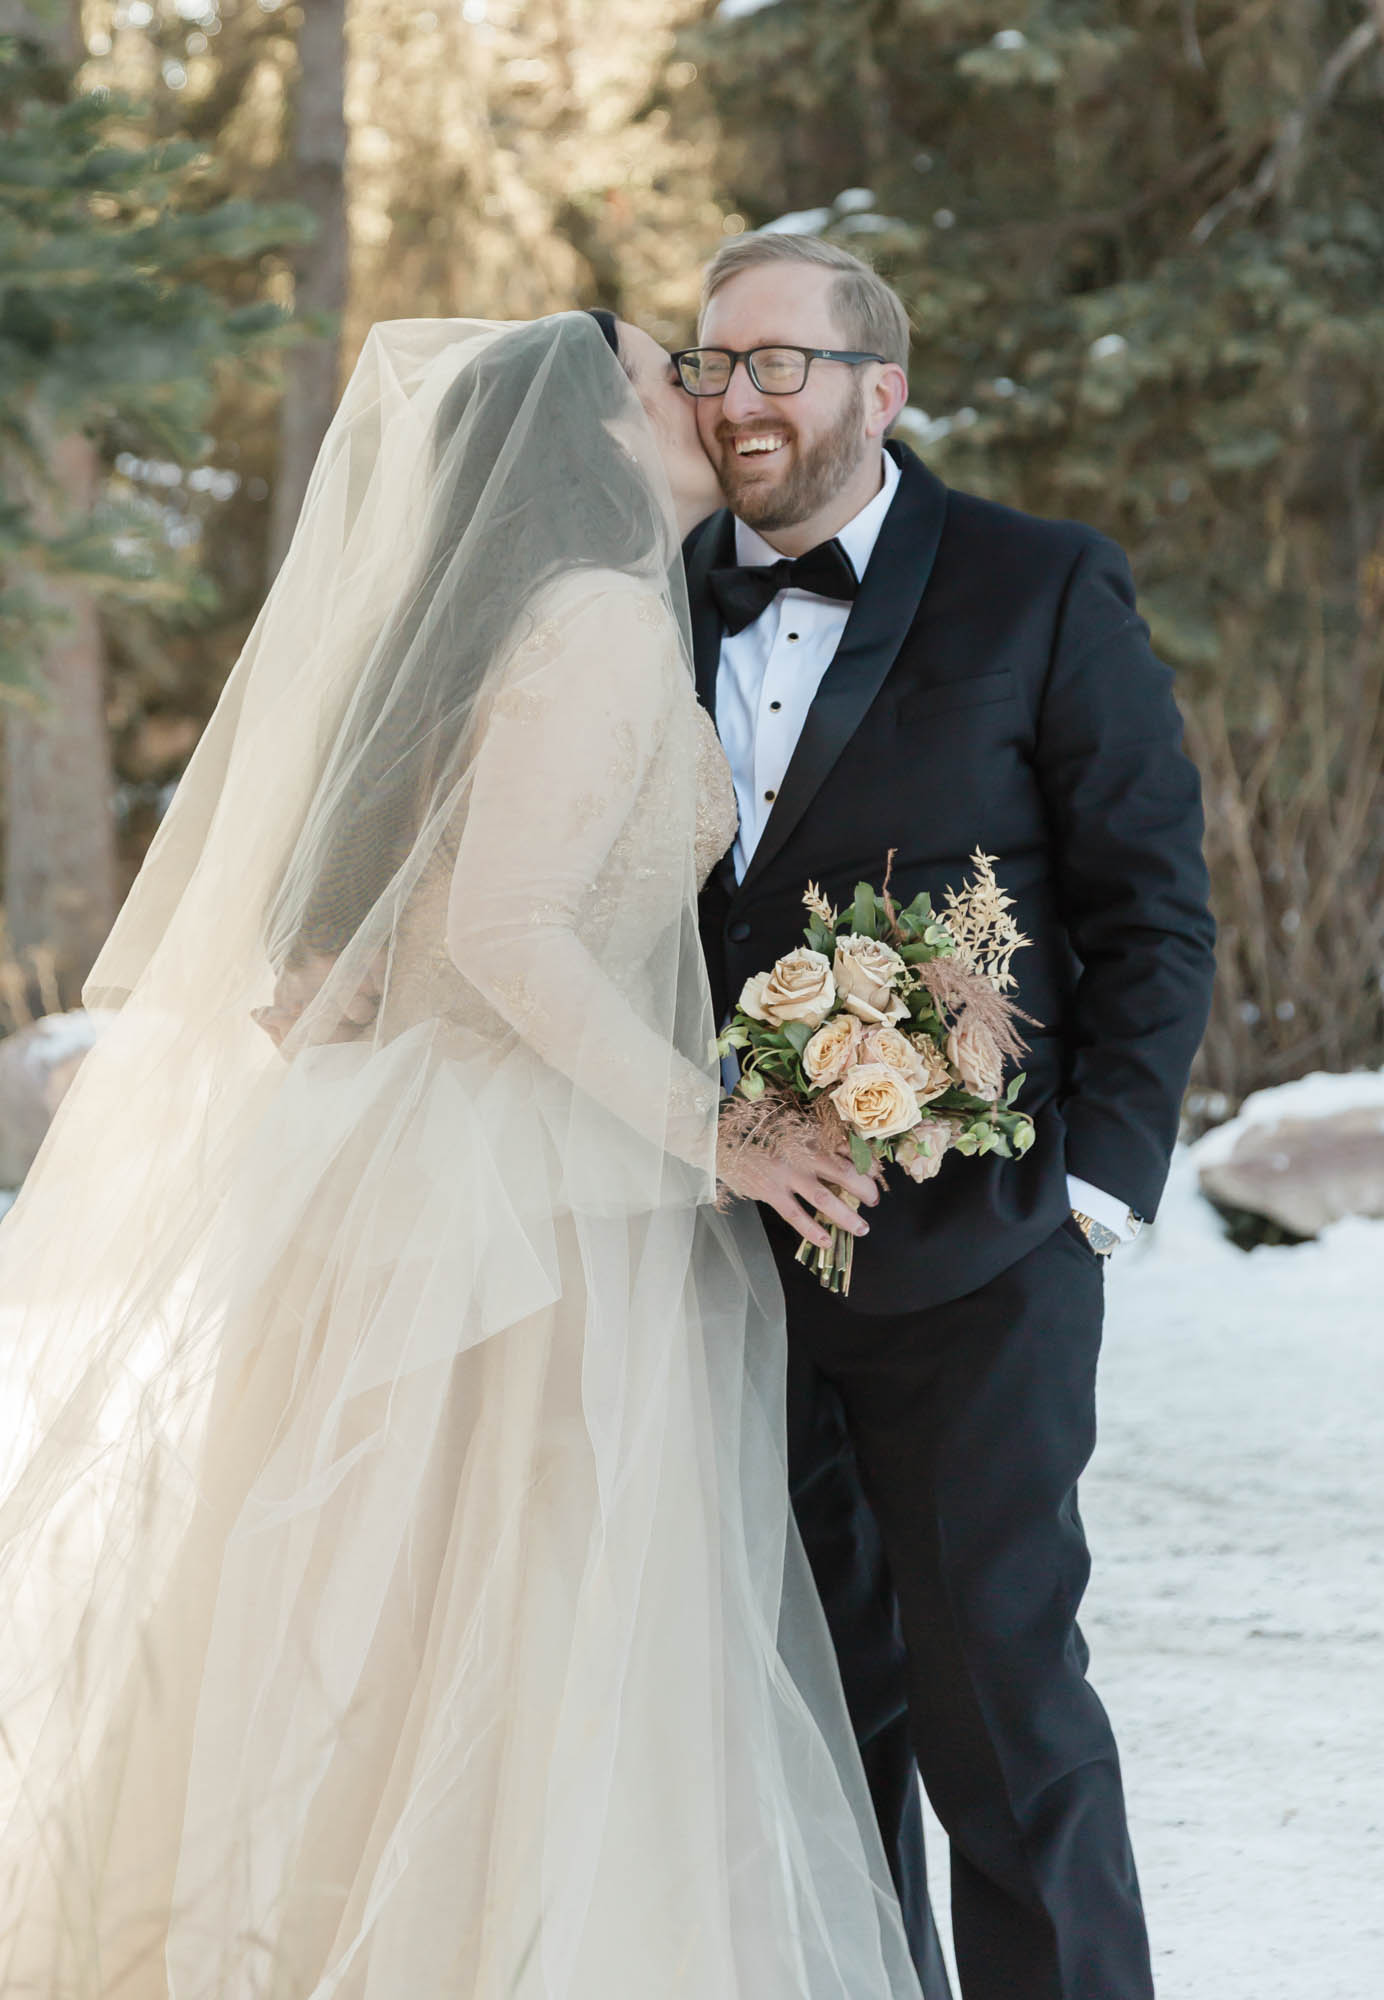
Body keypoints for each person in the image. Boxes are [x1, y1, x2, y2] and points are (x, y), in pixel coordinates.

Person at [0, 312, 920, 2000]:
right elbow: (517, 930)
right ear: (584, 439)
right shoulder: (602, 619)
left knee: (395, 1629)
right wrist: (721, 1127)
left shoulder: (525, 627)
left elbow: (413, 937)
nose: (693, 392)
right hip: (535, 1198)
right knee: (517, 1631)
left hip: (445, 1167)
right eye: (653, 372)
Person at [682, 234, 1217, 2000]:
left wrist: (1095, 1194)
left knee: (1004, 1707)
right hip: (713, 1271)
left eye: (779, 365)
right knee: (811, 1733)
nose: (738, 401)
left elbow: (1152, 912)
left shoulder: (1040, 586)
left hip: (982, 1259)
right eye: (711, 365)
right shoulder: (645, 597)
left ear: (880, 389)